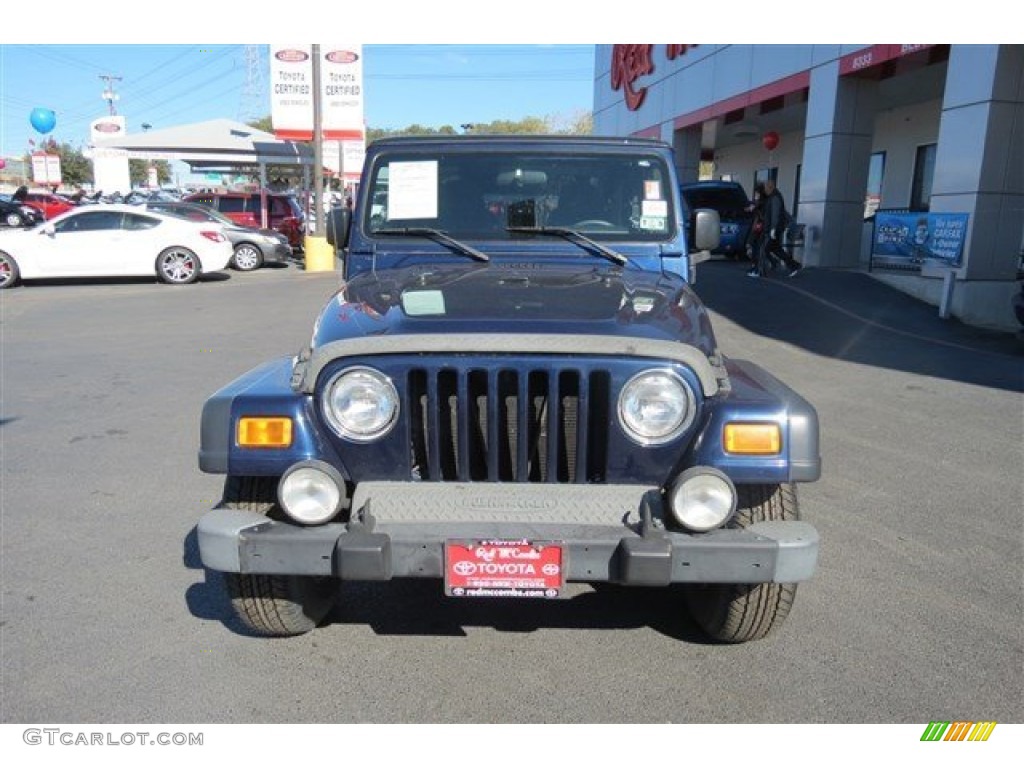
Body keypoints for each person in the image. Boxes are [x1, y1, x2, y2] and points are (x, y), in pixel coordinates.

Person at [749, 178, 802, 278]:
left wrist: (773, 229)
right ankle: (795, 265)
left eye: (765, 188)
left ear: (770, 188)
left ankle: (760, 271)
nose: (764, 190)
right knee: (776, 250)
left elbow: (775, 214)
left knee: (763, 249)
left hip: (772, 230)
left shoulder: (775, 198)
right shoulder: (772, 197)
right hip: (773, 229)